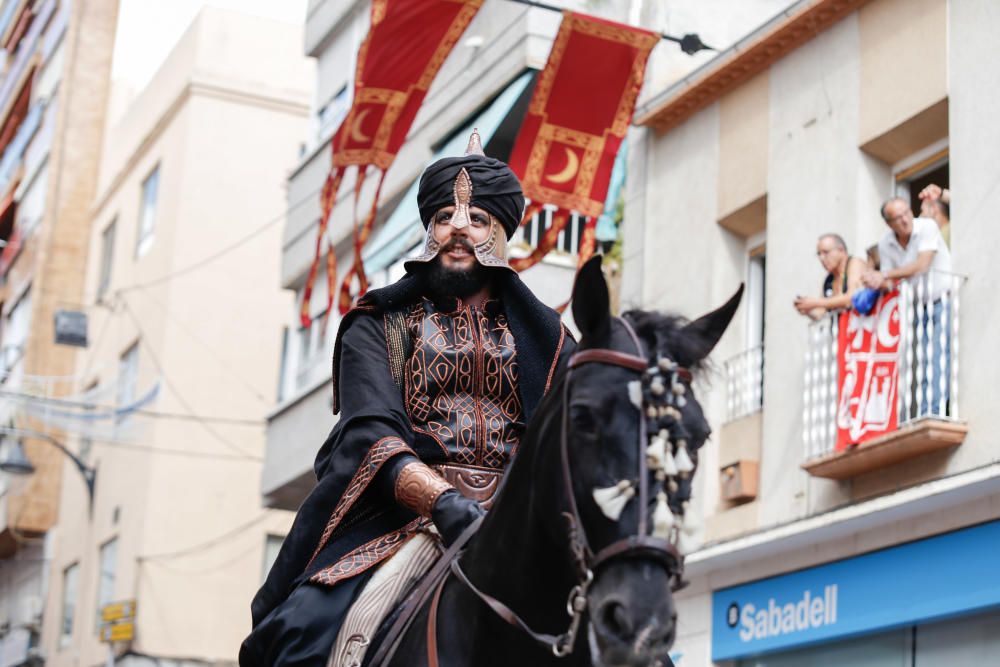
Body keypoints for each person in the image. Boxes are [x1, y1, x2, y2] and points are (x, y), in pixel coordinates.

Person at [240, 132, 573, 666]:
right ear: (429, 231)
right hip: (409, 521)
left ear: (502, 232)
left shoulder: (552, 342)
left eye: (478, 220)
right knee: (304, 633)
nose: (458, 230)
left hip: (523, 526)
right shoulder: (378, 325)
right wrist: (445, 505)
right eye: (444, 218)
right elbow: (371, 433)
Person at [863, 196, 952, 416]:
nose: (905, 220)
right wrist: (872, 281)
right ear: (889, 223)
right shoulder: (886, 243)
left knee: (939, 355)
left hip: (943, 298)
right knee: (922, 359)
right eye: (898, 217)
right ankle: (923, 410)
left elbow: (922, 265)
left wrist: (882, 274)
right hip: (917, 305)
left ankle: (934, 410)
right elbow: (891, 281)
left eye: (907, 213)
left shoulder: (927, 227)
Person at [793, 233, 866, 320]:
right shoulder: (829, 279)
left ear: (841, 250)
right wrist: (808, 310)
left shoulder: (854, 263)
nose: (822, 258)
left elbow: (852, 298)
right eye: (819, 254)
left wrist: (815, 302)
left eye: (826, 252)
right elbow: (822, 314)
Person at [919, 183, 950, 247]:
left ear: (933, 209)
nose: (920, 216)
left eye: (922, 211)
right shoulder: (937, 238)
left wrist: (941, 193)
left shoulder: (952, 229)